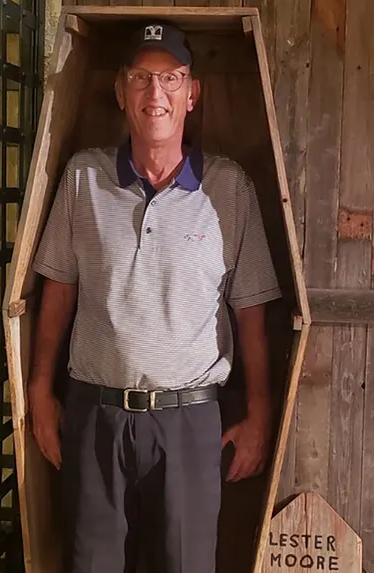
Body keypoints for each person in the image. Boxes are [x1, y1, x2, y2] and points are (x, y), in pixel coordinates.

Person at [26, 19, 282, 573]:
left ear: (193, 93)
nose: (155, 93)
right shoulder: (83, 179)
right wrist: (41, 390)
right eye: (141, 77)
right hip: (94, 416)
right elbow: (58, 292)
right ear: (120, 91)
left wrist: (259, 413)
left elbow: (253, 313)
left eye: (172, 78)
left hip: (189, 425)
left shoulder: (229, 188)